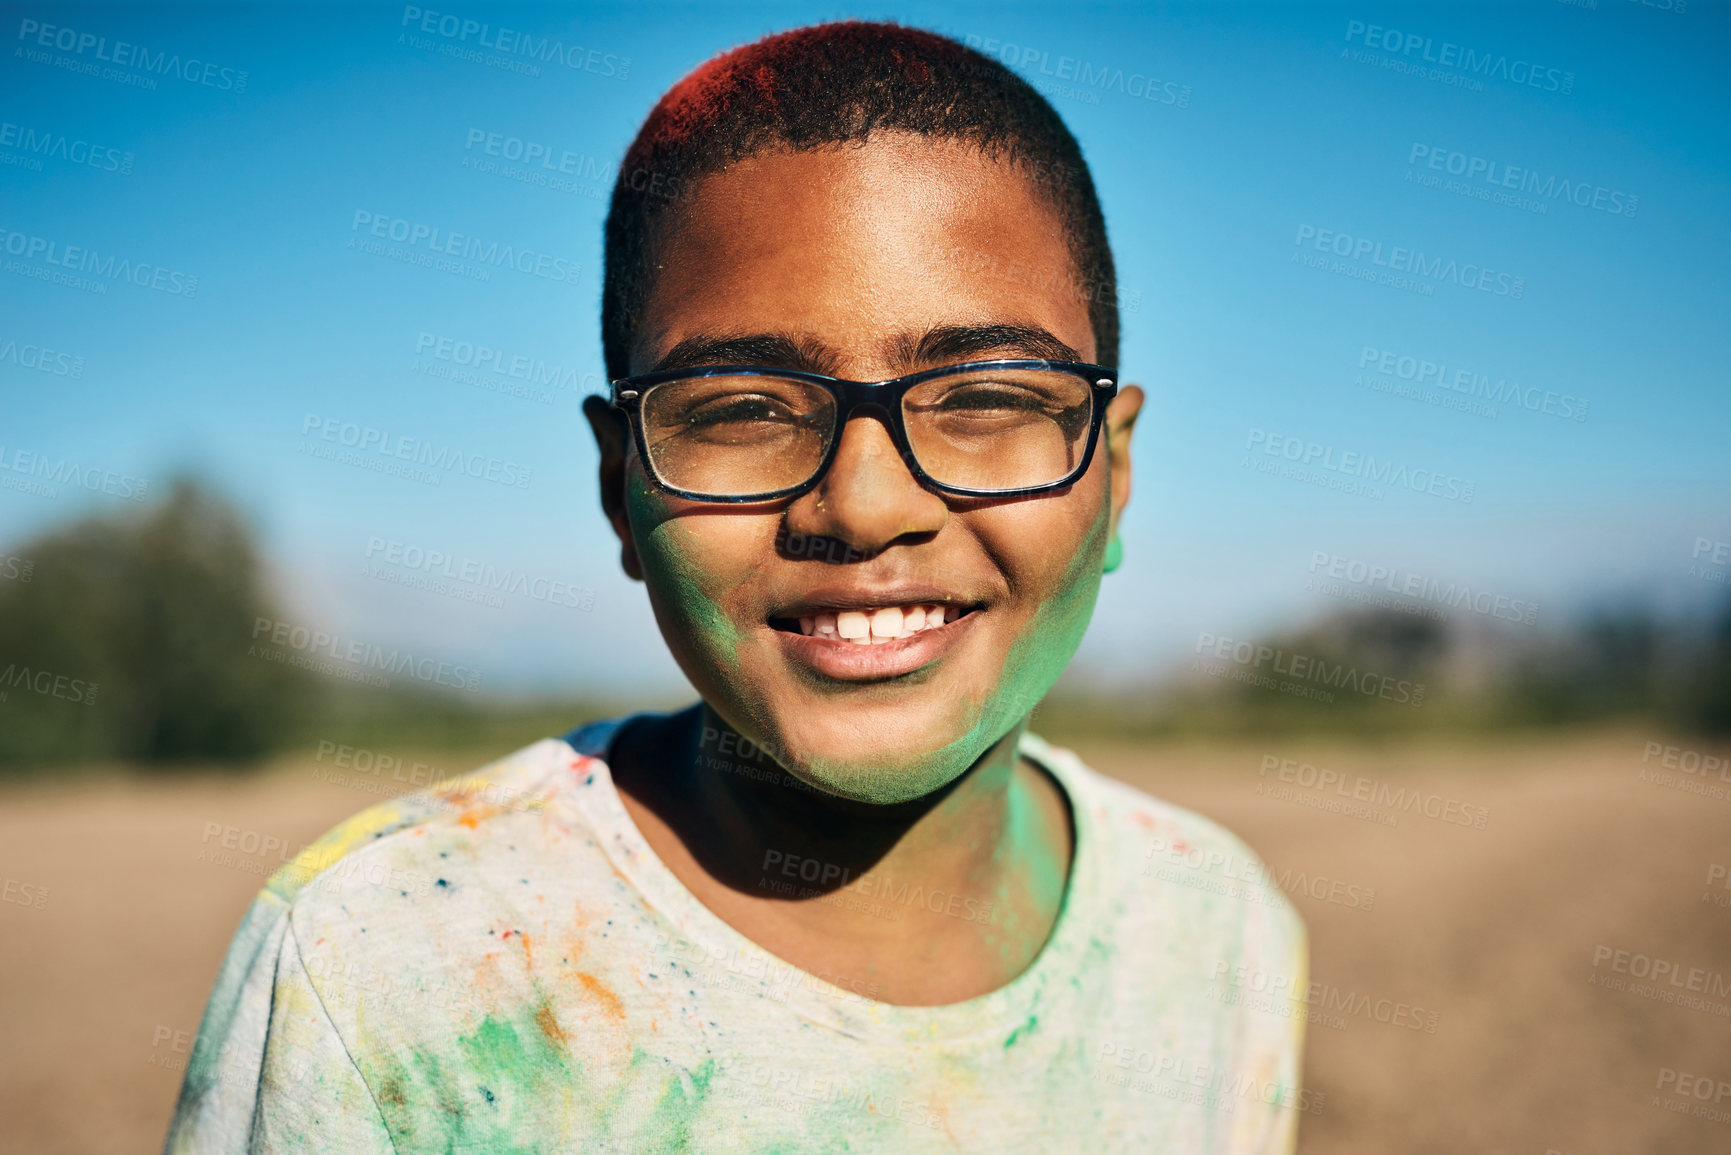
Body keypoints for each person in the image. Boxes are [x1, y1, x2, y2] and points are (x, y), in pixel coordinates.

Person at [165, 20, 1306, 1153]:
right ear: (622, 489)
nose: (863, 508)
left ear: (1110, 473)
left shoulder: (1214, 929)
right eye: (746, 409)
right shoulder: (385, 964)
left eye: (985, 397)